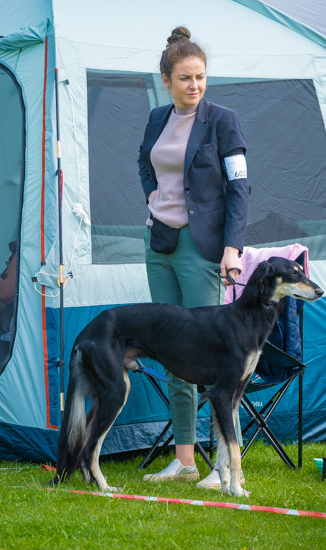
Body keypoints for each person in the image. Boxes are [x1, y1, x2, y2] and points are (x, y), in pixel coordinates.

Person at [137, 27, 250, 489]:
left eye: (200, 77)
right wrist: (152, 199)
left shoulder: (223, 121)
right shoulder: (156, 117)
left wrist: (232, 247)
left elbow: (240, 187)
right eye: (185, 78)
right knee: (173, 355)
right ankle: (185, 460)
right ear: (166, 79)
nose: (194, 86)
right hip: (158, 245)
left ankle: (224, 465)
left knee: (216, 360)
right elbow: (144, 162)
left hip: (203, 250)